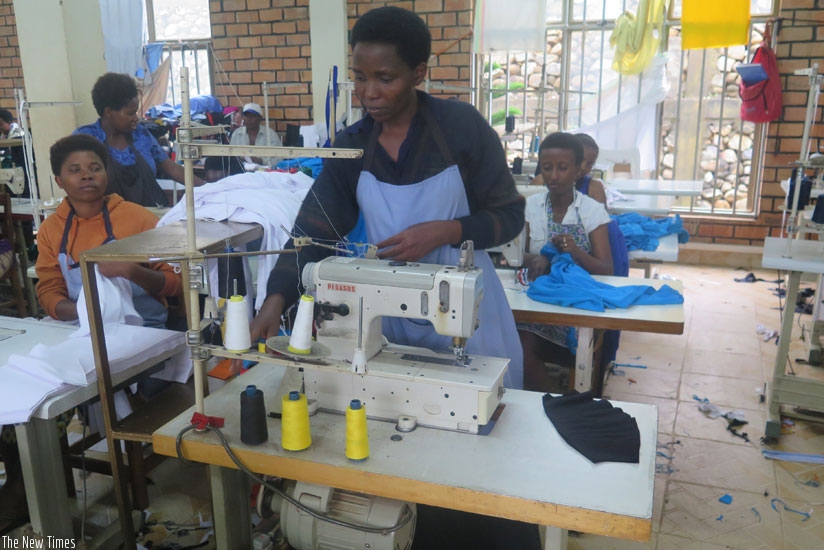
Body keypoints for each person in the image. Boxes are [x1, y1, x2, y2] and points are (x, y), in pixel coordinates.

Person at [249, 6, 525, 392]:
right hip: (390, 313)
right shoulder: (351, 147)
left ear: (418, 73)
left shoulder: (461, 128)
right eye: (360, 77)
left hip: (469, 314)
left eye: (385, 78)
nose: (369, 92)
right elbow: (312, 231)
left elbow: (510, 216)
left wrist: (446, 231)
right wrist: (275, 299)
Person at [35, 134, 182, 325]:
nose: (86, 175)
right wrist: (84, 311)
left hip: (143, 329)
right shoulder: (51, 228)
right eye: (75, 170)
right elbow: (49, 290)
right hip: (78, 326)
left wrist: (133, 272)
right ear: (59, 181)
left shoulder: (139, 218)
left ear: (107, 173)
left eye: (95, 168)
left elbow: (177, 282)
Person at [518, 132, 613, 392]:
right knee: (511, 344)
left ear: (578, 170)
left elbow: (607, 269)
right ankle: (557, 402)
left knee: (522, 352)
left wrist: (577, 254)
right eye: (547, 168)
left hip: (576, 308)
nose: (554, 176)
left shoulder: (592, 211)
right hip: (537, 303)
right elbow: (516, 257)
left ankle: (561, 403)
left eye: (563, 168)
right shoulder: (531, 206)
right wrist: (535, 258)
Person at [74, 72, 203, 208]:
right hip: (107, 221)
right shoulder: (86, 139)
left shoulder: (142, 136)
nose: (136, 117)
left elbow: (171, 168)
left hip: (150, 217)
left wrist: (210, 188)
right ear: (108, 112)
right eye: (130, 113)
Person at [532, 133, 607, 204]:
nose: (583, 167)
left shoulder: (594, 188)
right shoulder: (541, 181)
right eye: (581, 159)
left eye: (590, 164)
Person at [229, 103, 282, 167]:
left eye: (253, 116)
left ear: (260, 118)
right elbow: (231, 156)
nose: (249, 119)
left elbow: (279, 159)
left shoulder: (270, 134)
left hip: (264, 173)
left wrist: (261, 161)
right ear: (243, 118)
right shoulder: (237, 134)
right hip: (241, 171)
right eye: (247, 116)